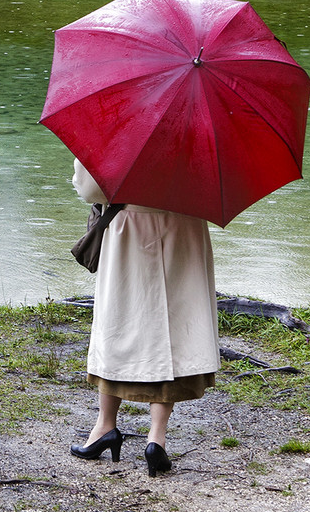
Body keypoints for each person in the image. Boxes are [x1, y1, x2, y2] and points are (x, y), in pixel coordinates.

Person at [68, 158, 219, 476]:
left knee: (118, 326)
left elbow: (89, 188)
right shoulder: (196, 132)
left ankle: (105, 427)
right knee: (175, 331)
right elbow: (212, 188)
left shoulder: (117, 125)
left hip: (129, 230)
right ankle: (156, 440)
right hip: (184, 228)